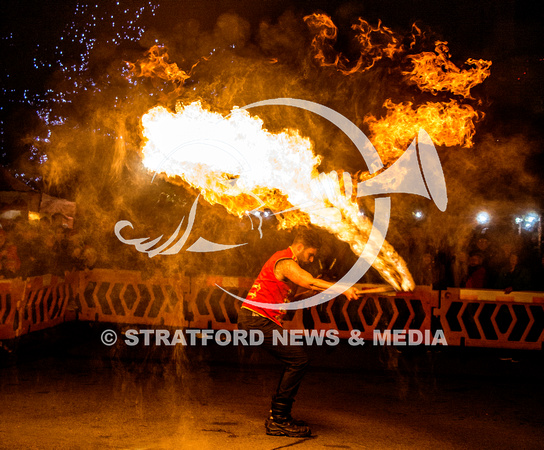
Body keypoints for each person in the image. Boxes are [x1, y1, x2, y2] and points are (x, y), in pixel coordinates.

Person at [237, 228, 362, 437]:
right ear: (300, 247)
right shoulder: (286, 261)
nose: (311, 259)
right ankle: (279, 419)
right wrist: (342, 289)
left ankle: (279, 416)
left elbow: (290, 298)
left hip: (259, 321)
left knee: (296, 360)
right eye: (310, 254)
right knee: (298, 360)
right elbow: (309, 280)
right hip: (256, 320)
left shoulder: (285, 263)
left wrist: (316, 292)